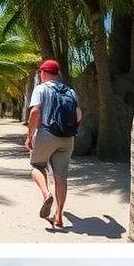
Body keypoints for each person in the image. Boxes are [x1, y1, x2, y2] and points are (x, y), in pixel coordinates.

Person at [25, 59, 83, 229]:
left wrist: (29, 136)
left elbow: (35, 112)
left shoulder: (41, 89)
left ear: (44, 72)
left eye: (40, 73)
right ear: (57, 73)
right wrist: (72, 131)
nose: (40, 75)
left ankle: (46, 194)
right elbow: (79, 116)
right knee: (61, 176)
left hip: (46, 134)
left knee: (36, 166)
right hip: (67, 138)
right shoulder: (71, 92)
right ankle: (58, 217)